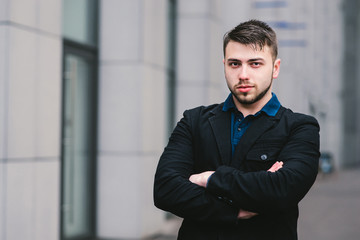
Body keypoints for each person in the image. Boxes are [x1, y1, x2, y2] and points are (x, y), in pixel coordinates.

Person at [153, 19, 320, 240]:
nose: (243, 74)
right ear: (224, 65)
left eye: (255, 64)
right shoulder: (194, 120)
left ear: (275, 68)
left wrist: (209, 180)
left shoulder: (299, 127)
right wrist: (233, 210)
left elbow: (282, 190)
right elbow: (165, 190)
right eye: (234, 64)